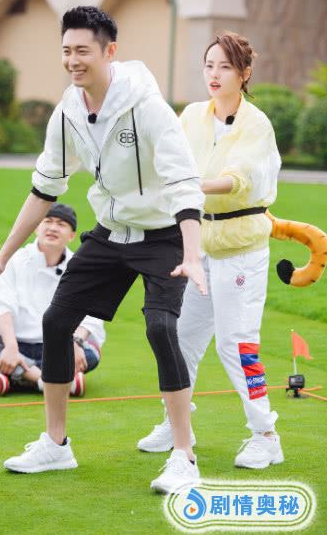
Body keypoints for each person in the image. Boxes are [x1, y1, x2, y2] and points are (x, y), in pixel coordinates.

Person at [0, 6, 206, 494]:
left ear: (110, 51)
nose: (73, 60)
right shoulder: (68, 111)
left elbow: (184, 183)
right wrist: (1, 258)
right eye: (66, 51)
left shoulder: (148, 107)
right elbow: (44, 188)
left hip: (163, 235)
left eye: (83, 51)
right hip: (111, 232)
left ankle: (184, 455)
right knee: (56, 321)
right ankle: (56, 445)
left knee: (161, 327)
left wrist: (192, 254)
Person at [138, 32, 283, 470]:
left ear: (244, 73)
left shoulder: (256, 124)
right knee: (180, 338)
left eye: (224, 66)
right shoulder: (192, 115)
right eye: (209, 65)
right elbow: (169, 157)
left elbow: (240, 181)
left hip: (241, 248)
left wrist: (190, 185)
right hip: (197, 246)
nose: (214, 74)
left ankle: (266, 435)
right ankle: (176, 422)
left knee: (238, 345)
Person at [0, 203, 105, 398]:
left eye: (61, 224)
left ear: (72, 235)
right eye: (47, 221)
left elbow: (92, 314)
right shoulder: (14, 260)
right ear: (35, 228)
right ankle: (48, 381)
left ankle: (12, 378)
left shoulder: (80, 267)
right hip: (16, 344)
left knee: (91, 352)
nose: (53, 228)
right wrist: (11, 347)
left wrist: (74, 343)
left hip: (58, 347)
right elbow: (2, 305)